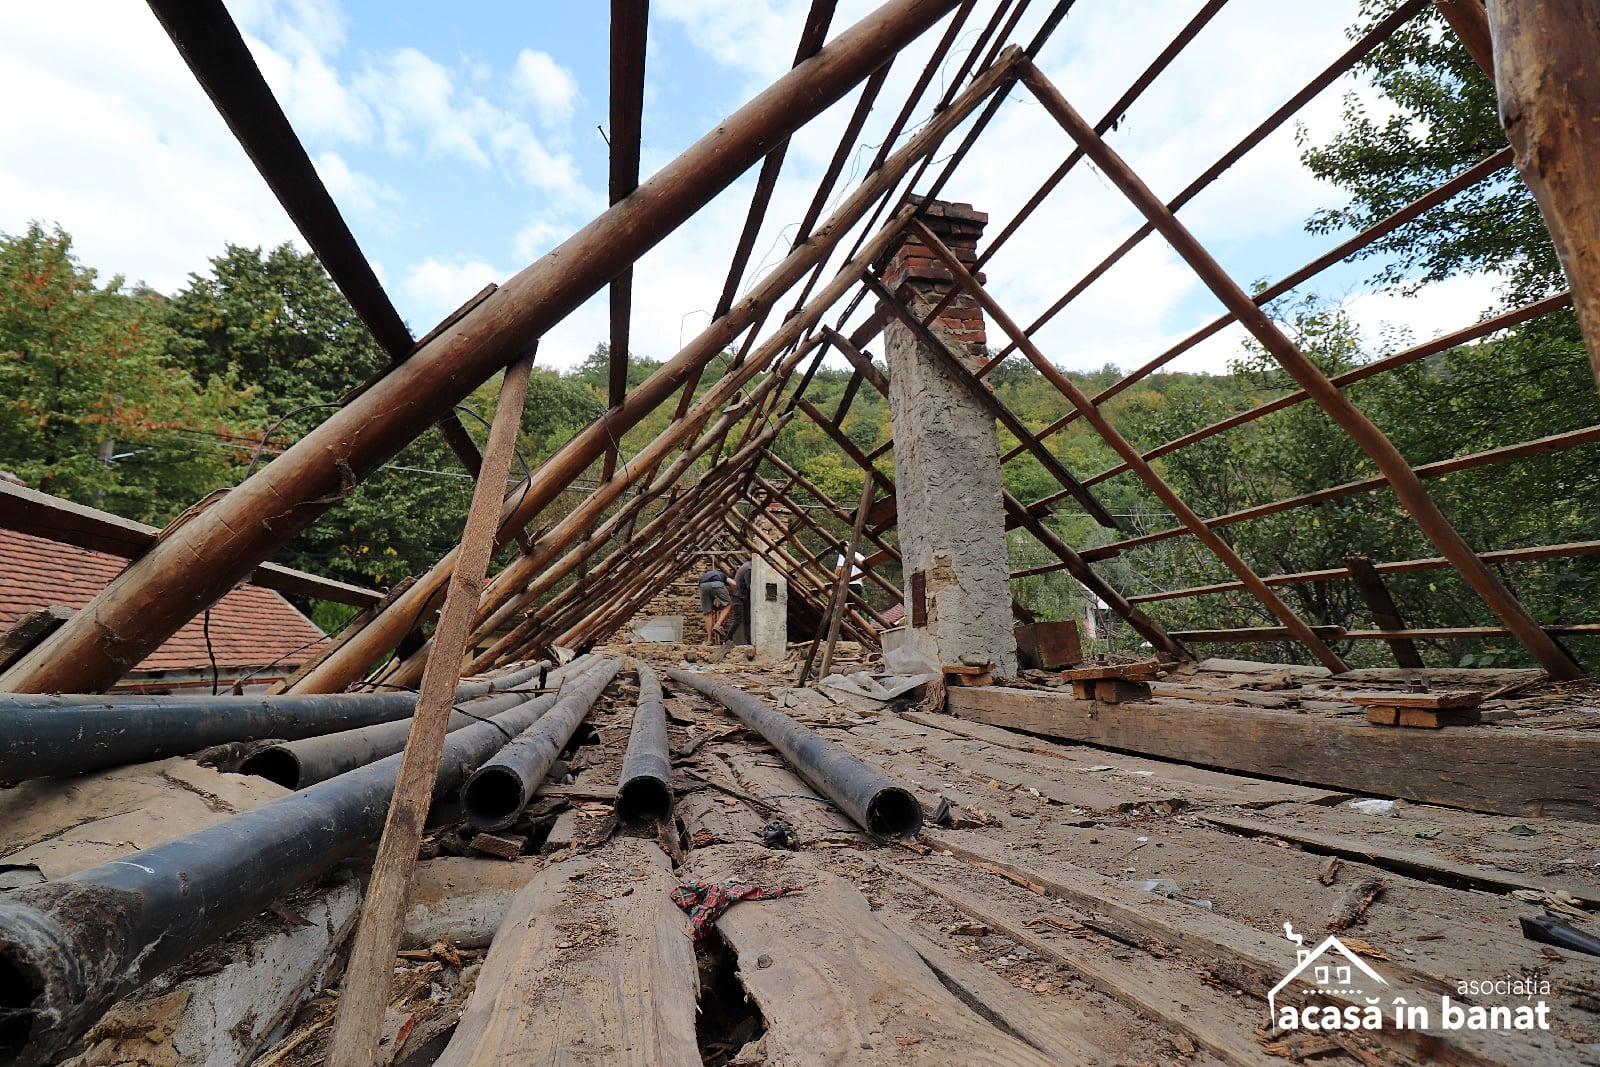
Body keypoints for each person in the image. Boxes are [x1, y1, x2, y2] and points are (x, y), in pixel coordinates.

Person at [698, 564, 734, 643]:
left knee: (708, 613)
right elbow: (733, 584)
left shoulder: (704, 576)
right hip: (717, 584)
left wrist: (712, 605)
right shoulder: (721, 575)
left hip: (703, 586)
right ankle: (718, 624)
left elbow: (706, 590)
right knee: (729, 604)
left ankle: (709, 639)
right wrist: (731, 593)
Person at [729, 557, 754, 644]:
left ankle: (749, 641)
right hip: (738, 597)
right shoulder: (748, 569)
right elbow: (749, 585)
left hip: (743, 597)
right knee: (738, 619)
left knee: (747, 619)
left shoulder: (746, 565)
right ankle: (727, 639)